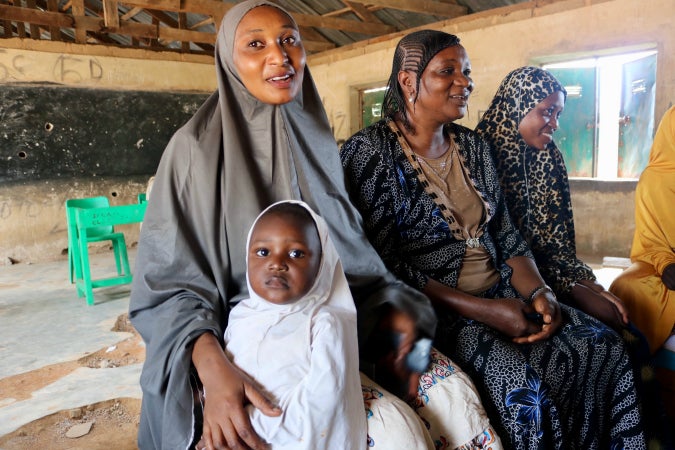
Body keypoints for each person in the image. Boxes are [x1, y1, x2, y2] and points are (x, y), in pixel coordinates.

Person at [129, 2, 498, 449]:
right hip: (236, 345)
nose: (279, 57)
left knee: (457, 406)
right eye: (255, 44)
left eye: (289, 40)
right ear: (229, 58)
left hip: (331, 329)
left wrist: (398, 312)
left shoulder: (313, 137)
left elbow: (350, 255)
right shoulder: (193, 153)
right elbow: (168, 289)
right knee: (396, 437)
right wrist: (214, 370)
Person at [341, 29, 647, 449]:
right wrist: (486, 312)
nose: (464, 82)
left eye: (466, 72)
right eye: (447, 71)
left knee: (604, 348)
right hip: (436, 311)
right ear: (408, 82)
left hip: (504, 292)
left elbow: (505, 235)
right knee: (523, 393)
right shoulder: (369, 152)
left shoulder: (473, 147)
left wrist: (539, 292)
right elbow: (382, 269)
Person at [475, 66, 629, 331]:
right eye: (547, 112)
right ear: (517, 105)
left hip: (550, 276)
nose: (555, 124)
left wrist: (582, 281)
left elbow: (559, 244)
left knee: (618, 319)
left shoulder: (548, 156)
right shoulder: (477, 156)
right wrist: (564, 288)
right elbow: (489, 252)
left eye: (558, 114)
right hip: (504, 286)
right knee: (601, 329)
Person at [216, 200, 364, 449]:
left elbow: (321, 407)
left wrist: (240, 426)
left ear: (321, 264)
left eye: (296, 253)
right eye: (263, 252)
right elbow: (225, 383)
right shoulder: (241, 315)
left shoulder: (327, 324)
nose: (277, 263)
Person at [610, 105, 675, 355]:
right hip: (660, 260)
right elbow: (651, 240)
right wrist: (667, 264)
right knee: (628, 286)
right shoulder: (653, 180)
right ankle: (639, 356)